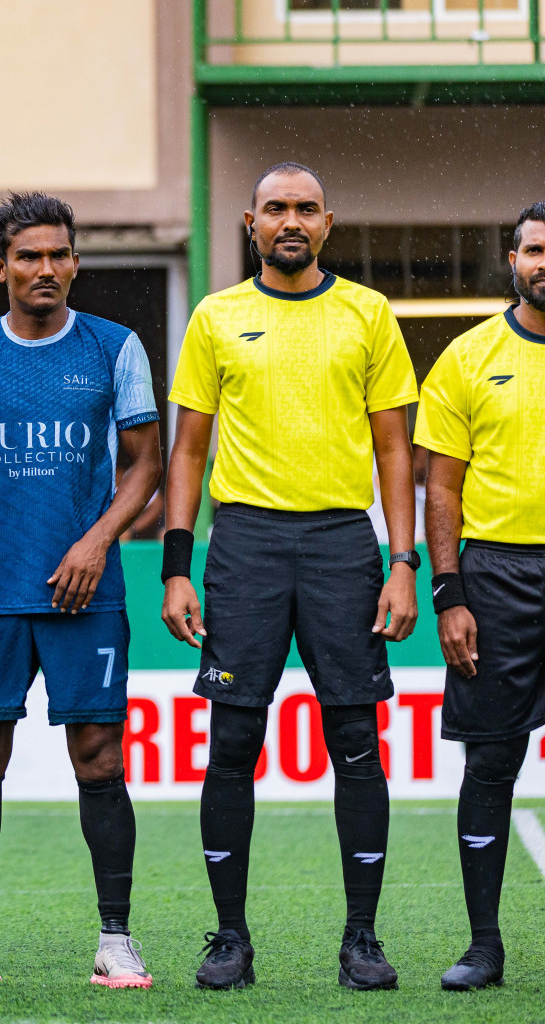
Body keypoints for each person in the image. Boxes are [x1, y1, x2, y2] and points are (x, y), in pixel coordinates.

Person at [162, 162, 419, 991]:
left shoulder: (367, 312)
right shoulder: (216, 316)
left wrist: (403, 562)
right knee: (233, 741)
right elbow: (188, 451)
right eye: (276, 208)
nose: (291, 221)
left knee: (356, 742)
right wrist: (176, 568)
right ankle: (230, 940)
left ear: (328, 223)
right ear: (251, 223)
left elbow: (394, 450)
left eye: (307, 208)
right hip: (245, 544)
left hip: (344, 543)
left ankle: (362, 939)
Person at [0, 193, 162, 988]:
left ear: (75, 263)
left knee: (99, 758)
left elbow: (147, 465)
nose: (44, 268)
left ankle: (116, 939)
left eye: (57, 254)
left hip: (86, 593)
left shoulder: (115, 348)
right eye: (28, 256)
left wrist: (97, 538)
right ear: (1, 268)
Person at [414, 202, 545, 991]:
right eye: (535, 249)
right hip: (497, 576)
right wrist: (448, 594)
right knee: (492, 762)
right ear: (513, 258)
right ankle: (484, 946)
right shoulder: (468, 357)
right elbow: (442, 489)